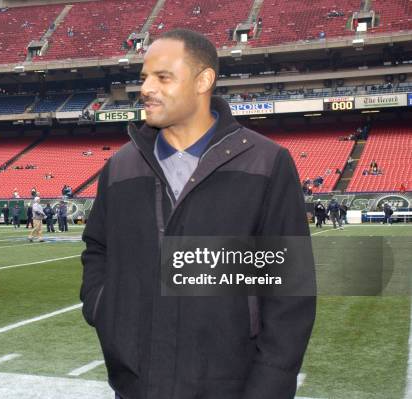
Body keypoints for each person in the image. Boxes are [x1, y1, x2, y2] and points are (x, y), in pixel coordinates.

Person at [80, 29, 315, 399]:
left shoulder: (266, 163)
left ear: (204, 80)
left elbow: (290, 290)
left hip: (232, 386)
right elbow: (97, 249)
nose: (145, 89)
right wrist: (103, 306)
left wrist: (270, 385)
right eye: (144, 78)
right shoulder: (120, 167)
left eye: (163, 77)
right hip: (136, 385)